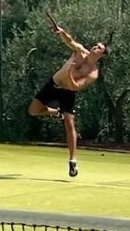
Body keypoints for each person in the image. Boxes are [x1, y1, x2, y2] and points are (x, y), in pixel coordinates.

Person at [28, 15, 109, 177]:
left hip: (68, 92)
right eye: (95, 45)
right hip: (53, 84)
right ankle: (55, 112)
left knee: (69, 124)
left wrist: (70, 73)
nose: (95, 46)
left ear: (103, 54)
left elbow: (76, 86)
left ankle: (72, 161)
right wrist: (61, 32)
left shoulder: (93, 73)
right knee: (33, 111)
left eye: (99, 47)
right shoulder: (80, 51)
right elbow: (70, 41)